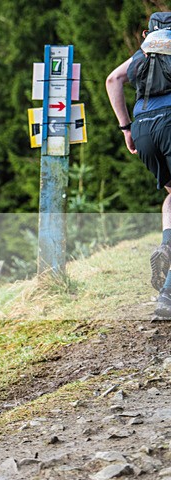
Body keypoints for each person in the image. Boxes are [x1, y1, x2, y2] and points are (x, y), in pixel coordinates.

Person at [107, 12, 171, 317]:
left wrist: (126, 128)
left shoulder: (143, 53)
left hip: (143, 126)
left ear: (148, 32)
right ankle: (168, 296)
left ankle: (168, 242)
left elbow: (112, 79)